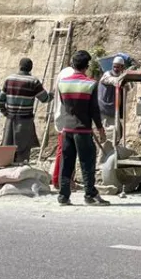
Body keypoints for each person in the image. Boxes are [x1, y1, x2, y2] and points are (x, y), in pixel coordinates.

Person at [56, 51, 109, 206]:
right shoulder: (90, 84)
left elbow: (65, 105)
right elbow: (94, 110)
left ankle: (63, 196)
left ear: (73, 65)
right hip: (83, 131)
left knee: (66, 163)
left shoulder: (62, 83)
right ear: (87, 66)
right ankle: (90, 194)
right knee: (87, 164)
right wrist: (100, 129)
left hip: (67, 130)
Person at [0, 57, 51, 165]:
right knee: (23, 150)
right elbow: (45, 99)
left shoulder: (9, 79)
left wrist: (5, 112)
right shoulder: (34, 81)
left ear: (19, 66)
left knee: (8, 148)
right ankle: (19, 174)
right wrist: (53, 94)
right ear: (30, 68)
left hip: (10, 119)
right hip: (25, 121)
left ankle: (7, 173)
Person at [50, 61, 75, 189]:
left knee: (65, 150)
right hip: (67, 117)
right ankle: (59, 180)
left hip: (63, 116)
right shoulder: (70, 74)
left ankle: (62, 180)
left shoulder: (63, 73)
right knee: (64, 150)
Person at [98, 56, 128, 125]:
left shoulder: (120, 76)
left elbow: (129, 87)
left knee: (117, 131)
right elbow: (113, 81)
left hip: (114, 111)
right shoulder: (107, 75)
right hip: (104, 110)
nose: (115, 69)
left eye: (118, 67)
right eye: (114, 66)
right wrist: (123, 79)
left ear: (122, 67)